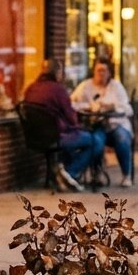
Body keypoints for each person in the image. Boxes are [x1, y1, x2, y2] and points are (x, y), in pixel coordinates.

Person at [24, 58, 105, 192]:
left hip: (34, 138)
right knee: (95, 141)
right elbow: (71, 118)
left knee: (77, 138)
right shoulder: (58, 90)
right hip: (57, 137)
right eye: (61, 71)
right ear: (57, 72)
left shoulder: (31, 88)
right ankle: (69, 173)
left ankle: (63, 173)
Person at [70, 60, 135, 187]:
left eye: (103, 70)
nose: (100, 73)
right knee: (96, 142)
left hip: (117, 124)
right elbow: (72, 103)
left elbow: (128, 109)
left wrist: (112, 106)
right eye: (98, 70)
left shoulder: (116, 86)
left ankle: (126, 175)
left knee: (122, 139)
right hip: (97, 125)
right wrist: (89, 106)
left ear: (109, 72)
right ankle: (96, 173)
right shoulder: (85, 86)